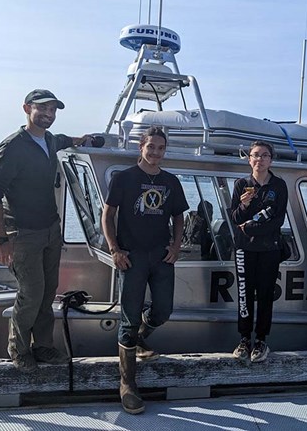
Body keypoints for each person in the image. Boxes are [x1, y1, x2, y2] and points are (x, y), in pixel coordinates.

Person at [0, 89, 91, 372]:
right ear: (26, 108)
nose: (49, 114)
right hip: (23, 234)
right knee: (31, 293)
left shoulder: (50, 140)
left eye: (53, 110)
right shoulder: (13, 147)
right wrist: (1, 239)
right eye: (43, 109)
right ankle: (18, 349)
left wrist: (80, 140)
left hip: (50, 230)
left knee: (48, 292)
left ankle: (43, 346)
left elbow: (64, 140)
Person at [101, 126, 188, 414]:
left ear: (165, 151)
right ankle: (127, 384)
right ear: (141, 147)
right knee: (128, 316)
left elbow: (178, 217)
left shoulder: (171, 181)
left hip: (161, 256)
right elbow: (108, 214)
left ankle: (140, 337)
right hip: (132, 256)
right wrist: (114, 249)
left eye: (160, 148)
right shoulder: (123, 178)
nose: (155, 153)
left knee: (163, 310)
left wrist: (176, 247)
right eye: (151, 147)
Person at [230, 140, 288, 363]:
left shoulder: (278, 186)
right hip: (244, 249)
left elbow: (278, 220)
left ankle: (261, 339)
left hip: (269, 249)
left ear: (270, 160)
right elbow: (235, 218)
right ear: (249, 159)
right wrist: (244, 205)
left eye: (264, 155)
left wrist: (251, 227)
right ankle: (244, 339)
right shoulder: (241, 185)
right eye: (255, 155)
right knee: (245, 296)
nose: (260, 159)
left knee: (265, 295)